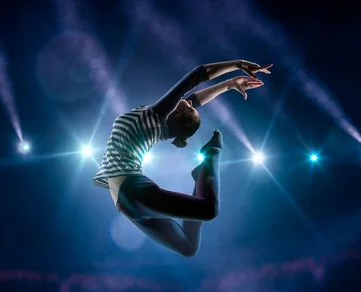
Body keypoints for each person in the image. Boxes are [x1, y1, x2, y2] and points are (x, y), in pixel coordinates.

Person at [93, 59, 272, 257]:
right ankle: (201, 176)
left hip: (131, 192)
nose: (189, 101)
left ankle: (213, 152)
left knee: (207, 213)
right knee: (189, 247)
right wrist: (229, 84)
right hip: (126, 201)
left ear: (177, 114)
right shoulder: (158, 124)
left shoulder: (155, 116)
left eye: (189, 106)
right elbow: (197, 99)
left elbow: (197, 75)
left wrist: (238, 64)